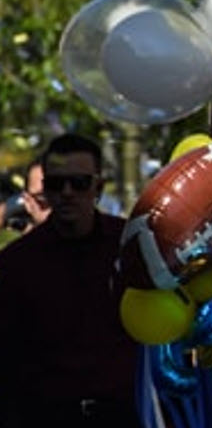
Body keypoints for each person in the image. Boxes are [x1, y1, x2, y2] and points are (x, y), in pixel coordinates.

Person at [0, 134, 142, 425]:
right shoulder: (15, 263)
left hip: (123, 414)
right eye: (55, 183)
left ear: (98, 188)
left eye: (78, 183)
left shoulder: (130, 245)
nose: (66, 192)